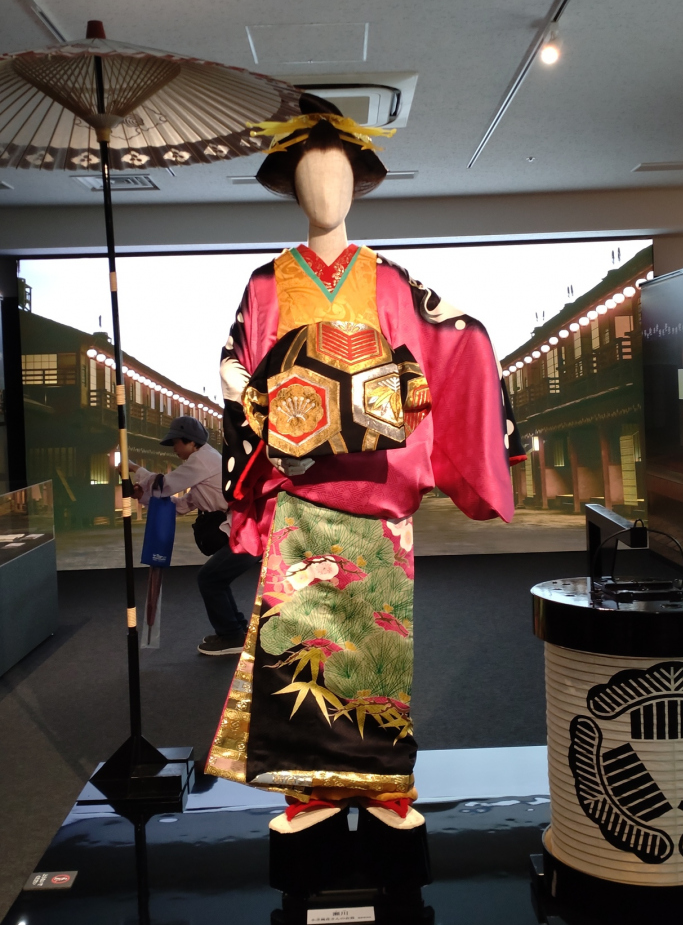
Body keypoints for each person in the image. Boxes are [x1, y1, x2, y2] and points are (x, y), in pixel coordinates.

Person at [206, 98, 524, 845]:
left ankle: (383, 779)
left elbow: (448, 341)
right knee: (299, 646)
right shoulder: (265, 283)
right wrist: (240, 383)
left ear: (357, 184)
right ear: (291, 188)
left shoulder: (390, 279)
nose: (326, 190)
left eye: (337, 175)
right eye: (310, 176)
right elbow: (236, 356)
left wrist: (442, 368)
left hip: (378, 489)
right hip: (300, 487)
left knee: (378, 647)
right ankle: (310, 788)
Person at [130, 414, 258, 656]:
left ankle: (232, 634)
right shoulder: (204, 463)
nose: (174, 449)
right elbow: (179, 505)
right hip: (244, 530)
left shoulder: (202, 460)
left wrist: (135, 469)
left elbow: (164, 485)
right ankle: (236, 630)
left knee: (210, 578)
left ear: (190, 441)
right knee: (216, 578)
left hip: (246, 531)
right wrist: (143, 496)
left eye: (175, 443)